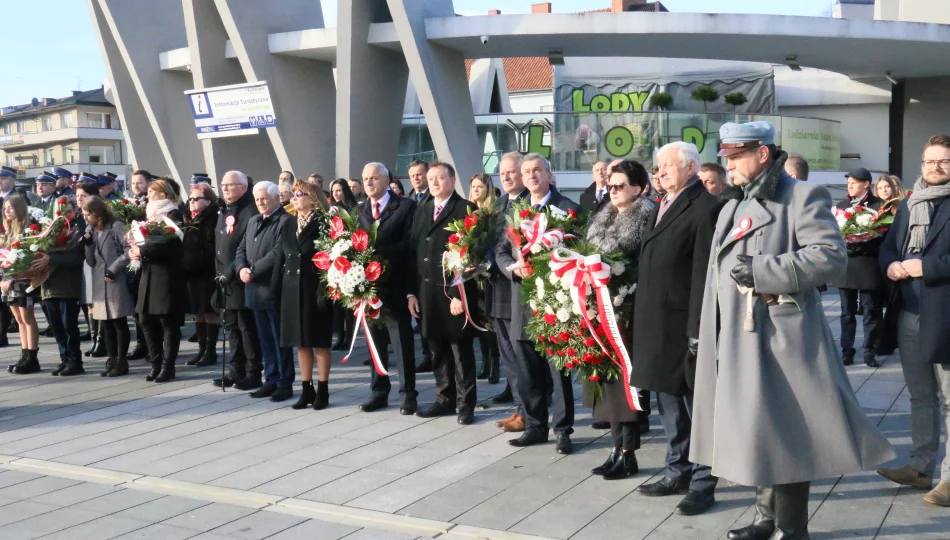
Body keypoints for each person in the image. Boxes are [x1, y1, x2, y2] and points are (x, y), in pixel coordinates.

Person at [692, 121, 895, 539]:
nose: (727, 165)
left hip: (780, 335)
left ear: (762, 154)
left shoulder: (802, 195)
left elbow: (829, 258)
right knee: (757, 428)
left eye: (735, 157)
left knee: (787, 429)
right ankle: (766, 519)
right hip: (737, 333)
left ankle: (791, 527)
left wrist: (765, 270)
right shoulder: (734, 203)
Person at [631, 141, 720, 516]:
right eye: (658, 166)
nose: (661, 171)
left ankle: (703, 482)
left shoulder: (706, 207)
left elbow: (704, 273)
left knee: (696, 406)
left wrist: (698, 329)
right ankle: (677, 469)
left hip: (685, 324)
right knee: (669, 401)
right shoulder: (662, 204)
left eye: (668, 165)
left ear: (692, 168)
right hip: (658, 323)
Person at [877, 134, 950, 508]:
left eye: (943, 162)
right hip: (909, 310)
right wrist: (889, 263)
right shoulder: (908, 204)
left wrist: (929, 266)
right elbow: (890, 244)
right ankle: (922, 467)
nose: (934, 168)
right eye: (928, 161)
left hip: (946, 316)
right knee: (921, 395)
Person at [495, 153, 580, 454]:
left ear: (548, 174)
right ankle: (535, 426)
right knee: (528, 371)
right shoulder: (517, 211)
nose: (531, 176)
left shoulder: (568, 208)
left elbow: (579, 249)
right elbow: (501, 251)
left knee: (558, 373)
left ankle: (563, 429)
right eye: (526, 171)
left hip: (555, 305)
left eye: (536, 171)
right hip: (522, 304)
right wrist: (512, 267)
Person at [584, 160, 655, 481]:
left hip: (629, 313)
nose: (612, 190)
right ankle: (616, 448)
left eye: (620, 185)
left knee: (627, 385)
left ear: (638, 189)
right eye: (610, 185)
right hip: (603, 313)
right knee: (608, 384)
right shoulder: (605, 215)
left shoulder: (646, 217)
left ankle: (628, 453)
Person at [409, 162, 480, 424]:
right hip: (427, 292)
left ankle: (466, 404)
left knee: (460, 351)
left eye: (440, 177)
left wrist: (460, 294)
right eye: (431, 178)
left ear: (452, 180)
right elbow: (414, 250)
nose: (435, 182)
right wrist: (411, 293)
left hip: (454, 293)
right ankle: (444, 398)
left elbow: (471, 256)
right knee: (436, 348)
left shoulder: (465, 210)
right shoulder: (423, 209)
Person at [357, 162, 419, 415]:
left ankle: (408, 394)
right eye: (365, 179)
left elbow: (410, 246)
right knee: (375, 343)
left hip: (396, 286)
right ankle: (379, 391)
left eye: (374, 178)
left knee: (402, 343)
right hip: (369, 290)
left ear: (386, 180)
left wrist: (378, 257)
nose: (369, 183)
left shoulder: (405, 207)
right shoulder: (359, 209)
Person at [235, 181, 294, 401]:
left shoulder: (286, 220)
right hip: (254, 290)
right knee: (265, 340)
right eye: (257, 199)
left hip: (274, 290)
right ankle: (270, 380)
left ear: (277, 198)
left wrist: (253, 270)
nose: (260, 203)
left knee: (280, 340)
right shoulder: (253, 221)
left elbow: (278, 252)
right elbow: (241, 247)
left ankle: (285, 383)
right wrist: (241, 268)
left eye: (264, 198)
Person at [277, 179, 333, 410]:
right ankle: (306, 388)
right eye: (294, 193)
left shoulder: (324, 223)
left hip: (315, 288)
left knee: (319, 341)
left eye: (300, 193)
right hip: (292, 287)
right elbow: (281, 256)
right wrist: (276, 288)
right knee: (300, 342)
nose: (295, 197)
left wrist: (325, 289)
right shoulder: (289, 223)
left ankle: (323, 389)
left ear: (313, 198)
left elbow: (331, 257)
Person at [131, 178, 185, 383]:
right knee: (145, 319)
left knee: (167, 321)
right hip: (148, 273)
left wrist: (142, 250)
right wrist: (135, 247)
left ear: (163, 194)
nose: (148, 195)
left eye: (152, 192)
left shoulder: (173, 214)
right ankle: (155, 363)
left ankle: (168, 366)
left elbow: (170, 244)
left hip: (166, 275)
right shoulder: (150, 215)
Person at [212, 171, 262, 389]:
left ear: (243, 187)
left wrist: (230, 273)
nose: (224, 189)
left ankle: (253, 372)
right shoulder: (225, 210)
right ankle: (235, 370)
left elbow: (244, 248)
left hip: (240, 279)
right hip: (225, 281)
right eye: (222, 185)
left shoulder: (249, 211)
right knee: (231, 327)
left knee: (247, 328)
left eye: (230, 185)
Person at [490, 152, 529, 429]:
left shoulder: (530, 203)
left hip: (520, 290)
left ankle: (528, 411)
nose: (506, 177)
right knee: (508, 355)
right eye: (502, 172)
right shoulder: (499, 203)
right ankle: (519, 408)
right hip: (498, 289)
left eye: (511, 172)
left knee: (522, 356)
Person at [833, 167, 885, 367]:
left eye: (854, 182)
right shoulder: (841, 206)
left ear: (865, 184)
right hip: (847, 264)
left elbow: (884, 234)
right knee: (847, 311)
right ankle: (847, 350)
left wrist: (866, 239)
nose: (850, 185)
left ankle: (870, 351)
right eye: (848, 183)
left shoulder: (879, 206)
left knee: (870, 310)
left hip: (868, 263)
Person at [81, 197, 135, 377]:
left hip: (115, 279)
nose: (86, 217)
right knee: (106, 323)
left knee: (119, 321)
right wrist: (88, 244)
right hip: (99, 282)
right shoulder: (93, 230)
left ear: (97, 212)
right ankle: (111, 359)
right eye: (84, 214)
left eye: (88, 213)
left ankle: (121, 360)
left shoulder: (116, 226)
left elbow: (129, 250)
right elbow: (90, 261)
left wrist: (113, 269)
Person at [36, 196, 86, 376]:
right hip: (48, 285)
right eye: (59, 208)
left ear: (74, 211)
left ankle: (75, 361)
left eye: (67, 208)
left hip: (67, 286)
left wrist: (51, 258)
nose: (62, 212)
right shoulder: (47, 230)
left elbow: (77, 258)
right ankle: (64, 358)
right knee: (56, 326)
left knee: (69, 326)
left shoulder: (77, 231)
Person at [1, 196, 41, 374]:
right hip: (10, 281)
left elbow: (27, 259)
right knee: (18, 319)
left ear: (20, 208)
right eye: (5, 208)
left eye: (10, 207)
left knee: (27, 318)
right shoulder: (8, 230)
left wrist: (12, 277)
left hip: (23, 280)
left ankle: (32, 357)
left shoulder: (27, 230)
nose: (7, 211)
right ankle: (24, 354)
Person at [466, 173, 500, 382]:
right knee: (478, 323)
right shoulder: (469, 212)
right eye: (474, 186)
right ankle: (485, 362)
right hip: (472, 275)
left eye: (480, 186)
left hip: (488, 274)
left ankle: (495, 364)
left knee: (490, 325)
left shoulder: (492, 213)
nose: (477, 190)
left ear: (488, 188)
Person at [183, 182, 220, 367]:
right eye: (191, 198)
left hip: (206, 271)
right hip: (191, 271)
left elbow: (210, 246)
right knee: (197, 311)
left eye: (197, 199)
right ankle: (201, 349)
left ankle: (210, 351)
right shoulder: (190, 218)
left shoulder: (213, 218)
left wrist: (196, 261)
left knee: (208, 310)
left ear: (208, 201)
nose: (192, 202)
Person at [327, 178, 359, 350]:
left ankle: (349, 336)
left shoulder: (353, 209)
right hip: (334, 258)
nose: (335, 194)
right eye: (333, 191)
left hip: (349, 257)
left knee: (348, 300)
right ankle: (339, 335)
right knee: (337, 300)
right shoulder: (332, 210)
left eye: (338, 190)